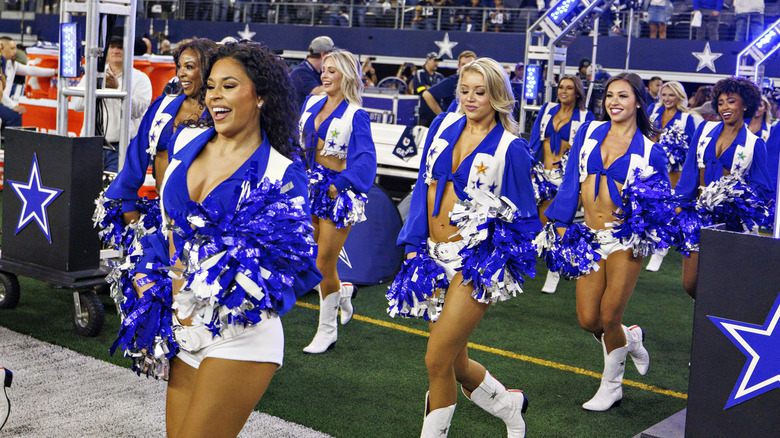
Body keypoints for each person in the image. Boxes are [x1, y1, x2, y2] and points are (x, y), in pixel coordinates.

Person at [110, 42, 322, 437]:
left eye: (228, 86)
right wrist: (150, 272)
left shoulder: (282, 172)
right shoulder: (187, 143)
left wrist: (227, 266)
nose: (214, 96)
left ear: (260, 96)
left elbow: (295, 267)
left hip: (238, 336)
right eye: (211, 87)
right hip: (181, 329)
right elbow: (169, 226)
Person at [388, 57, 540, 437]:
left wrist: (493, 261)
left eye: (481, 92)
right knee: (454, 361)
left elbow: (525, 221)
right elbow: (423, 186)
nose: (471, 99)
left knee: (436, 359)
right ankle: (508, 404)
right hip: (429, 257)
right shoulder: (442, 126)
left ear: (498, 96)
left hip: (474, 265)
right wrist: (411, 246)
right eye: (465, 91)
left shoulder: (511, 149)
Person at [544, 73, 667, 412]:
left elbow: (659, 206)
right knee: (589, 319)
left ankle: (612, 386)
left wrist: (640, 229)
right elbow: (571, 179)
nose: (614, 101)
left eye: (623, 96)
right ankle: (632, 338)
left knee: (610, 316)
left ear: (638, 102)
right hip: (588, 236)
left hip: (625, 240)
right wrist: (561, 221)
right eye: (610, 95)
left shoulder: (651, 151)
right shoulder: (588, 133)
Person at [299, 49, 377, 354]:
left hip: (336, 194)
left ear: (346, 75)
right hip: (307, 187)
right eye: (324, 69)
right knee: (308, 258)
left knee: (323, 263)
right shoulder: (311, 102)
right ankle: (343, 291)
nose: (325, 75)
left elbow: (366, 160)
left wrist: (338, 185)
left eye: (333, 70)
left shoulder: (356, 114)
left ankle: (327, 331)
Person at [100, 38, 217, 229]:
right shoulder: (162, 106)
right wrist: (127, 204)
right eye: (179, 66)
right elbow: (136, 156)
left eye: (189, 67)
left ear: (208, 70)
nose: (181, 74)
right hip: (160, 212)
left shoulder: (218, 115)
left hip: (200, 219)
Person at [674, 77, 773, 298]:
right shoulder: (704, 130)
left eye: (731, 101)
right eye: (720, 103)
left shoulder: (755, 144)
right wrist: (680, 205)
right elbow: (690, 169)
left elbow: (762, 187)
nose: (724, 107)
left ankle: (711, 327)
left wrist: (739, 200)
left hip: (730, 222)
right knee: (690, 283)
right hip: (697, 215)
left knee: (720, 283)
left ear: (745, 104)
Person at [528, 75, 594, 293]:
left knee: (559, 224)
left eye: (569, 88)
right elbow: (535, 143)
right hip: (542, 176)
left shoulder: (585, 116)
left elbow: (585, 152)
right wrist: (528, 168)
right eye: (561, 87)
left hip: (566, 180)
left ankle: (554, 273)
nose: (564, 91)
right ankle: (536, 263)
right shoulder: (547, 109)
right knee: (540, 222)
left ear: (578, 93)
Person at [72, 36, 153, 172]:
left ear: (129, 50)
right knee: (85, 189)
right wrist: (94, 86)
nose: (116, 50)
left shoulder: (141, 79)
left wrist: (116, 91)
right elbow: (77, 105)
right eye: (112, 46)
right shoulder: (93, 75)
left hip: (121, 148)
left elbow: (137, 111)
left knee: (114, 191)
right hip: (90, 145)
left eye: (120, 47)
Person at [643, 81, 697, 272]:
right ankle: (651, 243)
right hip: (653, 167)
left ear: (679, 97)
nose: (666, 99)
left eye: (671, 95)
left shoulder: (687, 118)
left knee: (671, 208)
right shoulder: (653, 111)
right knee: (652, 206)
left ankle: (660, 249)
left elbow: (691, 148)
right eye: (664, 94)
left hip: (675, 170)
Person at [0, 36, 56, 130]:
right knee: (14, 117)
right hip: (2, 103)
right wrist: (13, 106)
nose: (15, 51)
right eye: (12, 48)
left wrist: (53, 71)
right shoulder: (3, 63)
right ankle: (12, 144)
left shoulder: (12, 64)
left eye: (15, 48)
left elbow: (31, 70)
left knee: (13, 116)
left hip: (4, 103)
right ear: (2, 48)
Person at [420, 50, 477, 117]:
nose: (467, 67)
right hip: (455, 122)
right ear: (459, 66)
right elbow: (427, 94)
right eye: (464, 65)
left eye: (470, 64)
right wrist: (442, 116)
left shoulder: (481, 82)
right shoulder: (452, 81)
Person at [290, 36, 335, 112]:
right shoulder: (299, 73)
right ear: (323, 54)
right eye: (332, 54)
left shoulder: (320, 72)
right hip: (300, 121)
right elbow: (317, 93)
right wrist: (339, 82)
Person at [413, 52, 444, 127]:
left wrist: (429, 88)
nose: (436, 63)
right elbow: (420, 90)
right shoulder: (420, 73)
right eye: (435, 61)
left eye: (438, 61)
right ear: (428, 60)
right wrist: (435, 91)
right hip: (423, 113)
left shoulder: (439, 76)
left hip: (435, 114)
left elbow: (443, 93)